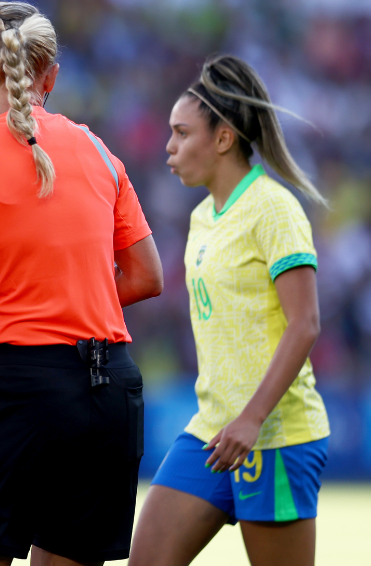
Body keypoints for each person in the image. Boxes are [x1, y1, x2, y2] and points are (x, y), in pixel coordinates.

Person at [0, 1, 163, 566]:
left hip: (20, 387)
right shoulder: (102, 154)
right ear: (52, 75)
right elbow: (146, 276)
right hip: (111, 393)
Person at [128, 56, 330, 566]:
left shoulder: (273, 207)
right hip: (211, 430)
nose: (168, 147)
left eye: (181, 133)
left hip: (275, 435)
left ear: (222, 139)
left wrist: (253, 419)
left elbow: (305, 323)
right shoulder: (201, 217)